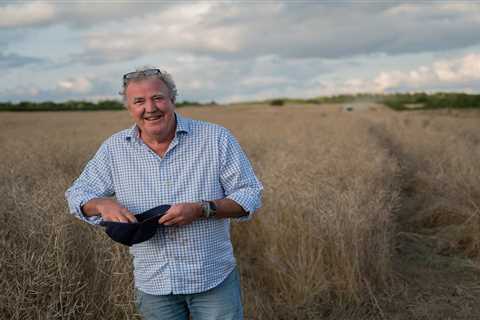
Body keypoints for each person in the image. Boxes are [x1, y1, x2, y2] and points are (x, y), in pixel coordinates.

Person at [65, 67, 263, 320]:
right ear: (129, 107)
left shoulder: (216, 138)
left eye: (157, 97)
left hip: (212, 278)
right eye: (139, 101)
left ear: (172, 99)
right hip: (154, 284)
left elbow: (249, 194)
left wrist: (203, 209)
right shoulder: (114, 149)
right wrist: (102, 204)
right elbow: (77, 194)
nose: (150, 108)